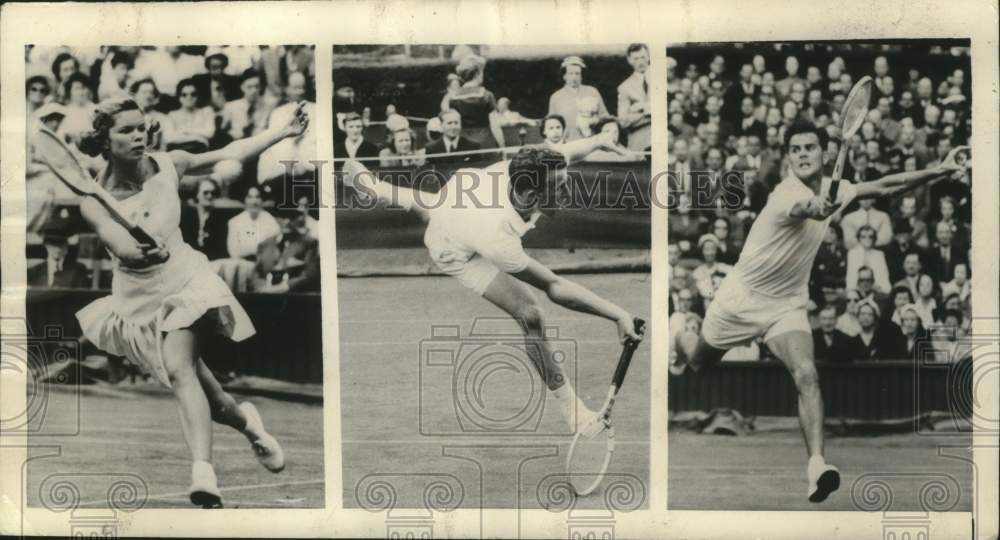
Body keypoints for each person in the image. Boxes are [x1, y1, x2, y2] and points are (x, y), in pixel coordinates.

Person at [672, 121, 966, 503]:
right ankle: (678, 331)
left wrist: (939, 169)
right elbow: (805, 206)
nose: (803, 154)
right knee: (697, 363)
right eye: (795, 149)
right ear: (788, 158)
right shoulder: (785, 195)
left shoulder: (839, 190)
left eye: (810, 147)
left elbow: (885, 185)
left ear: (825, 153)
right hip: (740, 301)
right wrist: (817, 206)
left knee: (807, 374)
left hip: (785, 305)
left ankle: (816, 467)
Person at [73, 96, 309, 508]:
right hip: (138, 301)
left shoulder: (170, 163)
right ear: (105, 141)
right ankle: (250, 425)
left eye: (141, 126)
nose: (138, 134)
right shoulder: (92, 201)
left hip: (187, 278)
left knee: (181, 370)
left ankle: (204, 472)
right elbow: (121, 247)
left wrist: (282, 132)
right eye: (126, 129)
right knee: (215, 402)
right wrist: (139, 252)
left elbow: (231, 151)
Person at [342, 131, 644, 434]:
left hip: (461, 196)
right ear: (529, 196)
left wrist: (598, 140)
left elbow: (566, 152)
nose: (568, 192)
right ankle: (574, 413)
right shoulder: (498, 239)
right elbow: (554, 286)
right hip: (455, 250)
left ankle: (375, 186)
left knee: (434, 207)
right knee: (530, 314)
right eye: (560, 187)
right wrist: (617, 314)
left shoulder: (527, 171)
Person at [440, 54, 504, 150]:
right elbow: (495, 126)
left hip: (462, 146)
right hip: (485, 145)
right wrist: (502, 147)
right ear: (478, 73)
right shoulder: (486, 95)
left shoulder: (453, 98)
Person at [547, 56, 608, 138]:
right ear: (564, 76)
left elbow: (605, 117)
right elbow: (550, 124)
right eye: (570, 73)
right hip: (567, 144)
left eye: (577, 73)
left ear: (581, 76)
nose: (574, 77)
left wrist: (594, 121)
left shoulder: (592, 92)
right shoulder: (556, 97)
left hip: (591, 143)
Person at [27, 216, 90, 289]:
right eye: (53, 244)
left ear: (67, 246)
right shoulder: (34, 271)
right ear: (46, 245)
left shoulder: (78, 270)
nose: (57, 248)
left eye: (61, 244)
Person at [226, 185, 280, 260]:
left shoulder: (270, 220)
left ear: (262, 200)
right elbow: (233, 252)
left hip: (263, 263)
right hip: (243, 263)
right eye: (249, 197)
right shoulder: (234, 222)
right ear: (245, 200)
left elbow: (273, 247)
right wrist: (259, 247)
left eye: (257, 197)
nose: (254, 201)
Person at [616, 44, 651, 151]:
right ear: (629, 60)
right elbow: (623, 121)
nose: (640, 62)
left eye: (643, 57)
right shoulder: (625, 87)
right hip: (639, 141)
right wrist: (647, 111)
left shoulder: (661, 77)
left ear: (649, 57)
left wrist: (640, 108)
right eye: (636, 58)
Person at [166, 78, 215, 152]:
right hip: (179, 151)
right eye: (184, 95)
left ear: (198, 96)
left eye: (193, 94)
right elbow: (169, 138)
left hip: (200, 151)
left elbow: (210, 133)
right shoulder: (172, 115)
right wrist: (198, 138)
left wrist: (185, 131)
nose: (189, 98)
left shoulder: (206, 112)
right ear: (179, 97)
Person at [845, 225, 891, 294]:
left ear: (874, 239)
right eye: (863, 237)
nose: (867, 239)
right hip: (857, 289)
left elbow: (884, 275)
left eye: (870, 237)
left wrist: (883, 289)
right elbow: (851, 275)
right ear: (859, 239)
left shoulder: (879, 254)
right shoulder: (852, 254)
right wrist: (852, 290)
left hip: (876, 289)